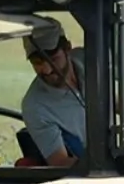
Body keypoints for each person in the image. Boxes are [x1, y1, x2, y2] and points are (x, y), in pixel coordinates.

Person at [20, 17, 86, 168]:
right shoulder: (35, 107)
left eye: (53, 60)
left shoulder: (90, 60)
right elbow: (60, 163)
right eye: (37, 63)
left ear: (68, 48)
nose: (47, 70)